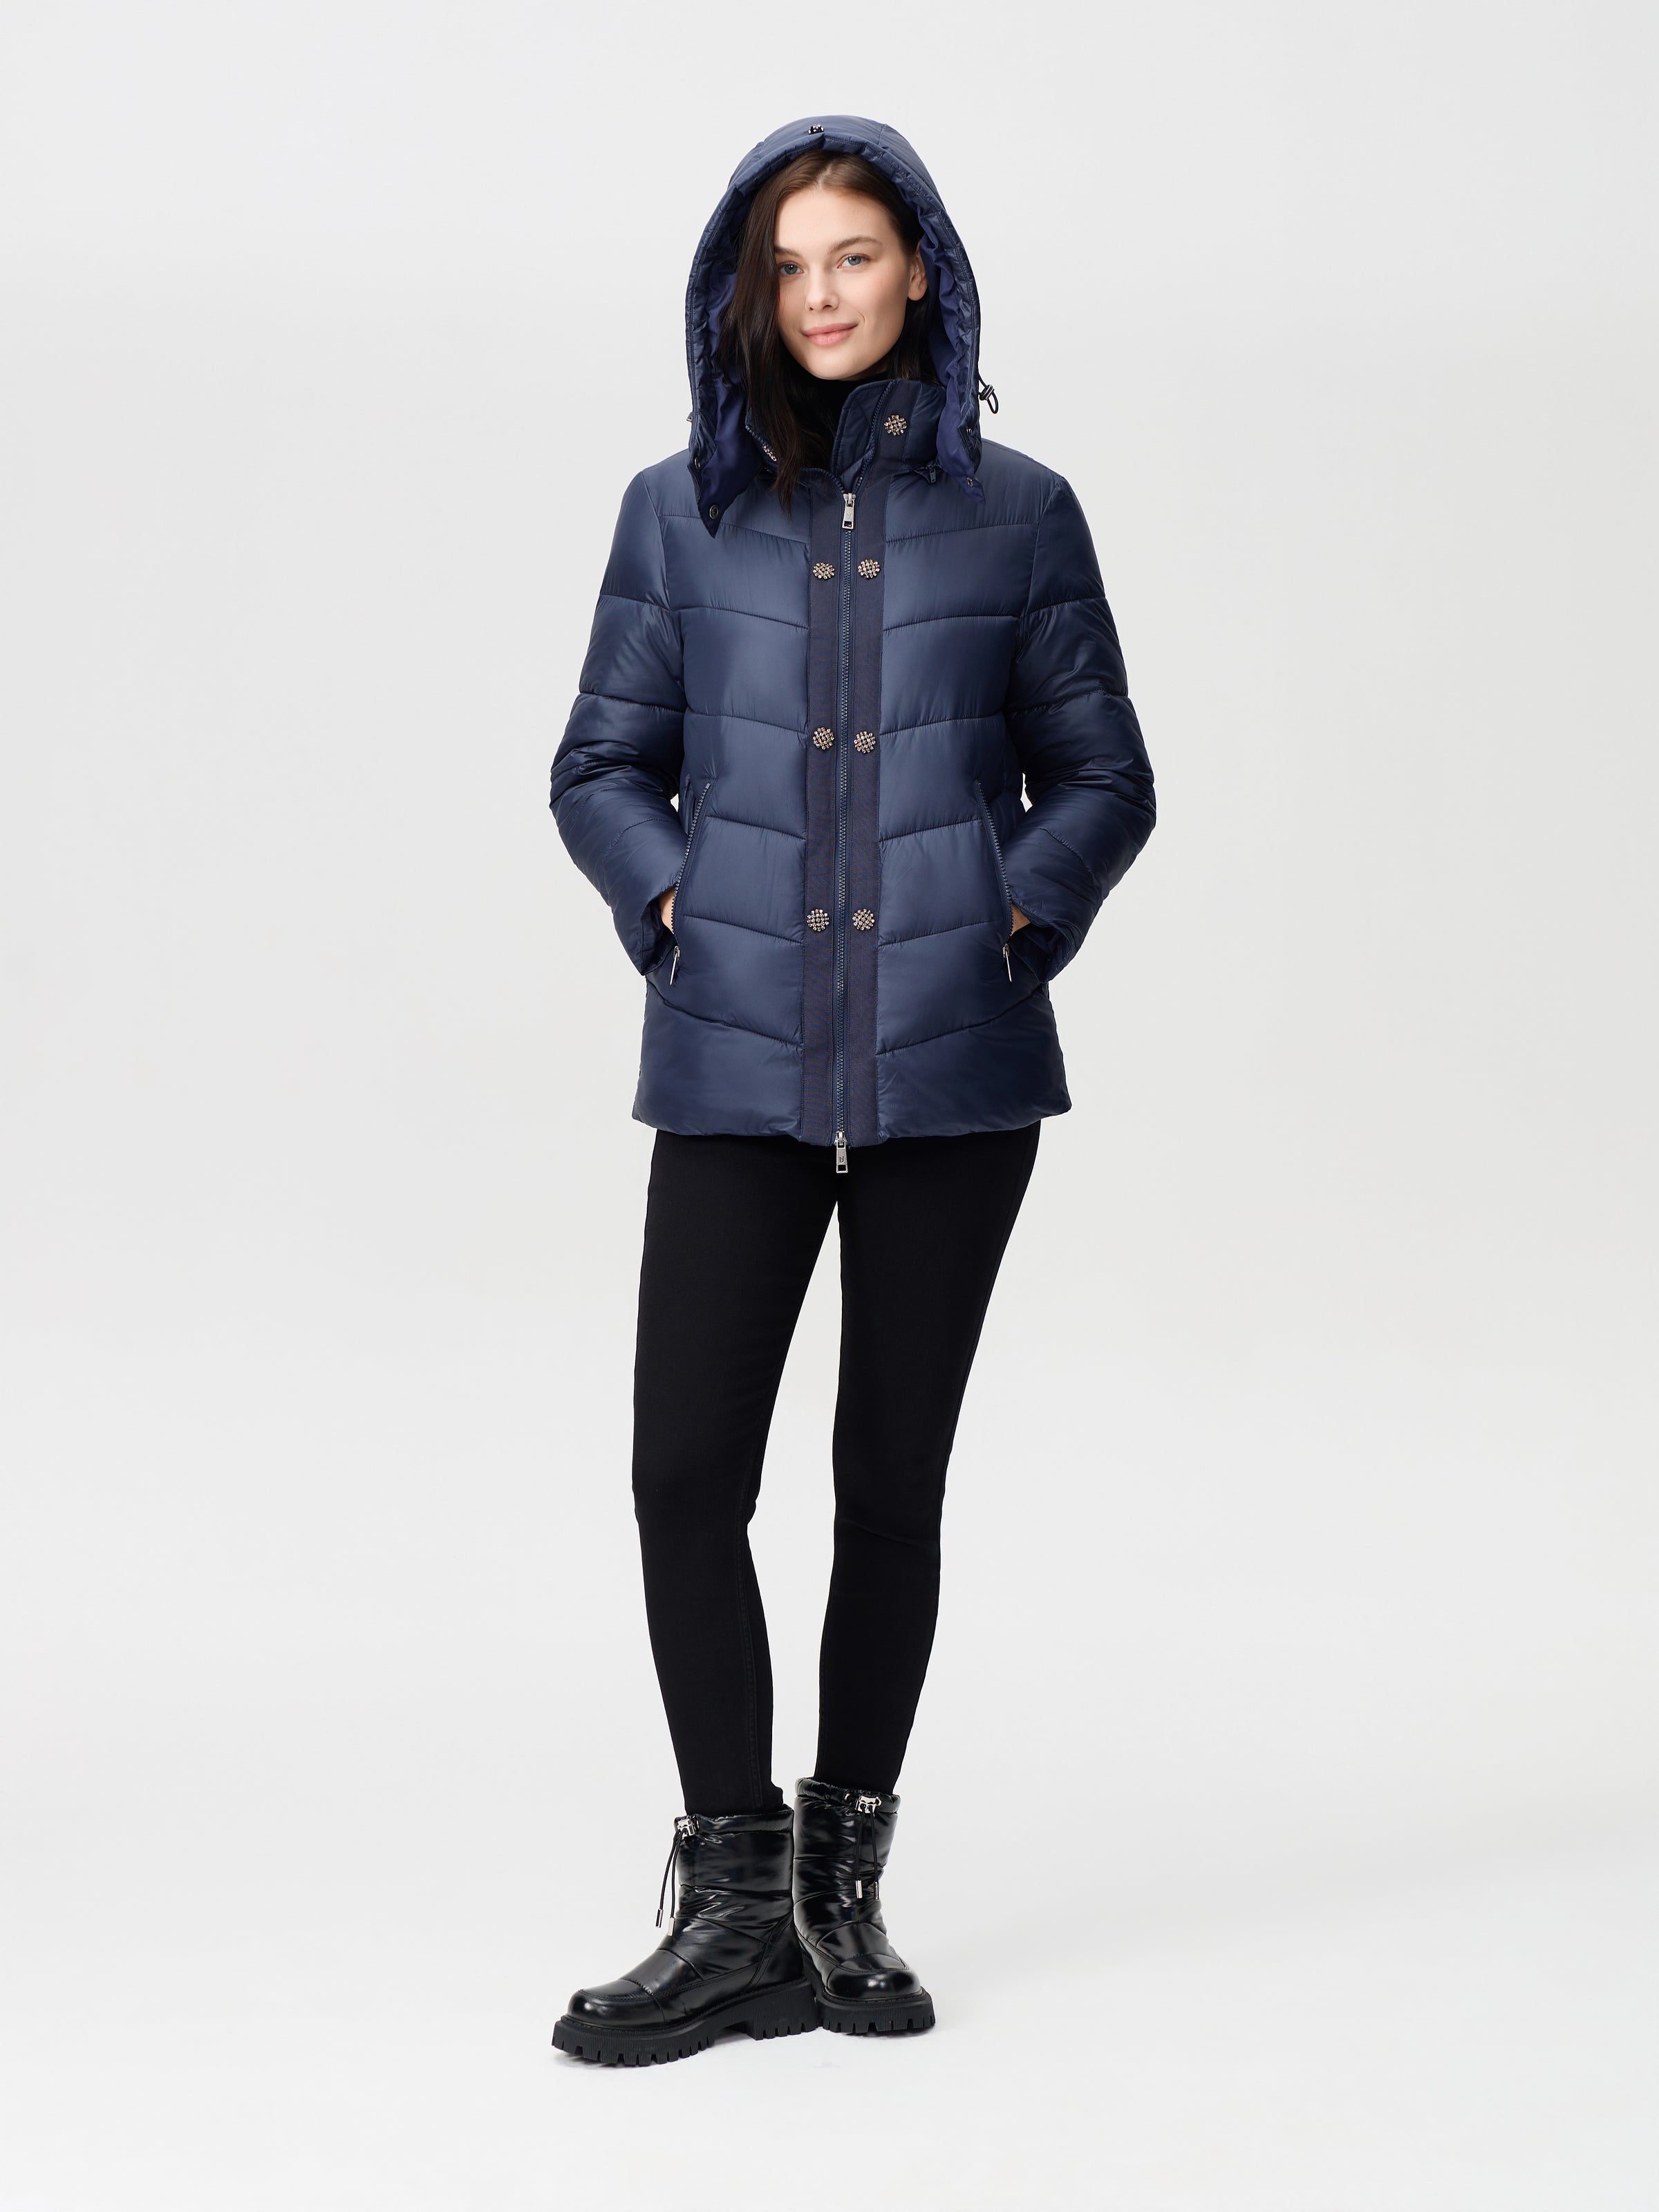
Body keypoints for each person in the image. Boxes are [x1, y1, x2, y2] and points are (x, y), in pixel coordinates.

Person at [547, 114, 1155, 2067]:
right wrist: (673, 902)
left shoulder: (1021, 512)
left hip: (951, 1071)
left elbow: (1105, 775)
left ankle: (842, 1887)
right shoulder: (675, 512)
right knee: (683, 1473)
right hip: (733, 1057)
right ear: (749, 289)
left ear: (921, 272)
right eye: (788, 264)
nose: (821, 295)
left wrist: (1010, 919)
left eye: (856, 257)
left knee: (889, 1482)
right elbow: (599, 762)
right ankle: (736, 1904)